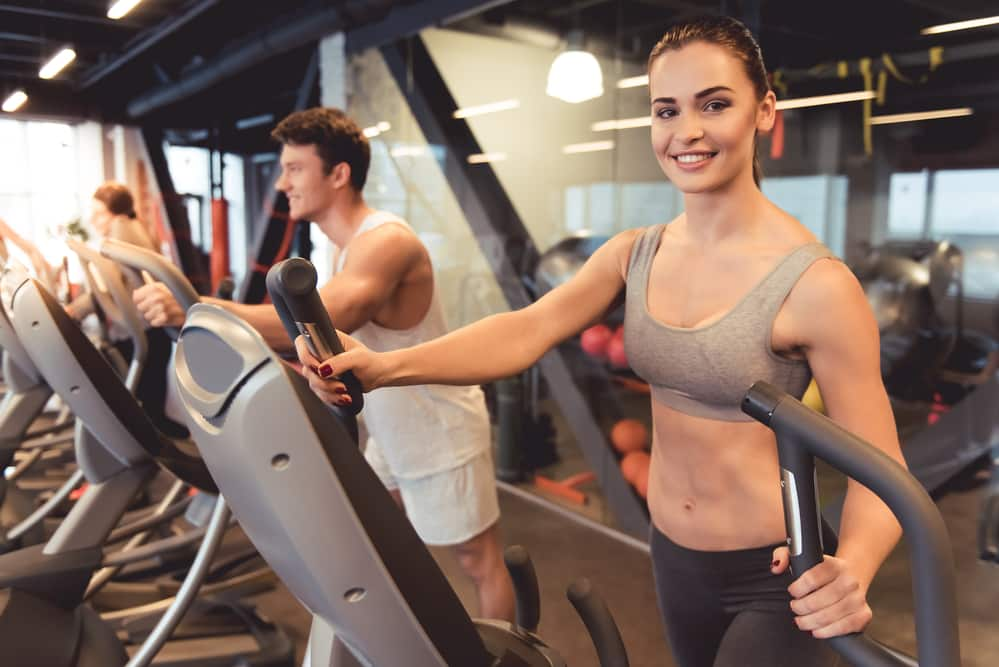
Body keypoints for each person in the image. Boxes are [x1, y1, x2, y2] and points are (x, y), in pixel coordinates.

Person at [298, 16, 906, 667]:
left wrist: (854, 564)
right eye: (665, 110)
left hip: (776, 571)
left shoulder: (815, 285)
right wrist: (383, 365)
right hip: (671, 554)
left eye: (715, 104)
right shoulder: (633, 254)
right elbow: (525, 328)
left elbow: (883, 467)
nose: (687, 132)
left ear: (763, 112)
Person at [132, 107, 516, 622]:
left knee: (478, 561)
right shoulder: (340, 249)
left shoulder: (386, 241)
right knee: (373, 542)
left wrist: (199, 307)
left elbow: (330, 317)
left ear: (338, 174)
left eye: (295, 169)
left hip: (437, 428)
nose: (283, 183)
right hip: (387, 428)